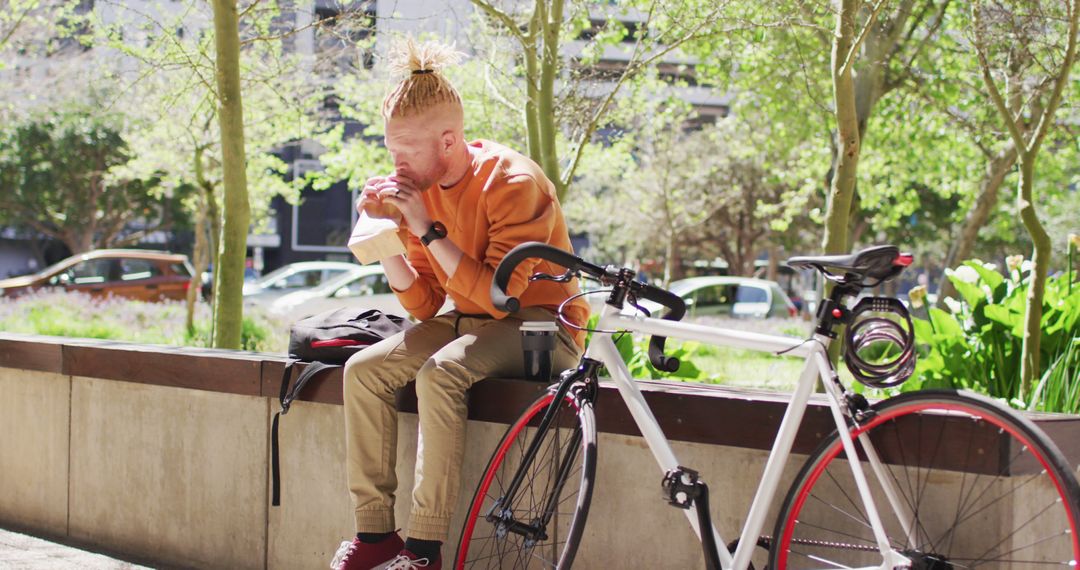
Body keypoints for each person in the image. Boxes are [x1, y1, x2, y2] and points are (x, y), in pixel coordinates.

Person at [331, 38, 589, 570]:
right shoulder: (422, 191)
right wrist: (386, 239)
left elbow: (500, 299)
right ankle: (376, 536)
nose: (395, 164)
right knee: (363, 370)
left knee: (440, 373)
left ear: (448, 141)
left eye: (405, 151)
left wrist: (425, 228)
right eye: (390, 150)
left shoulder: (512, 182)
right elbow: (427, 306)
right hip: (467, 318)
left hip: (543, 327)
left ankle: (424, 551)